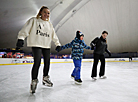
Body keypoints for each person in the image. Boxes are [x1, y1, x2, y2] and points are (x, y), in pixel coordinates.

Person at [16, 6, 61, 94]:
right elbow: (25, 29)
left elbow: (53, 35)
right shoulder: (33, 20)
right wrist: (21, 38)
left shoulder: (49, 24)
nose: (46, 14)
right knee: (37, 62)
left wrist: (58, 44)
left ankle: (45, 78)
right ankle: (34, 81)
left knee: (47, 62)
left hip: (46, 45)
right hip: (36, 44)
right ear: (40, 12)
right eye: (45, 12)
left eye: (48, 13)